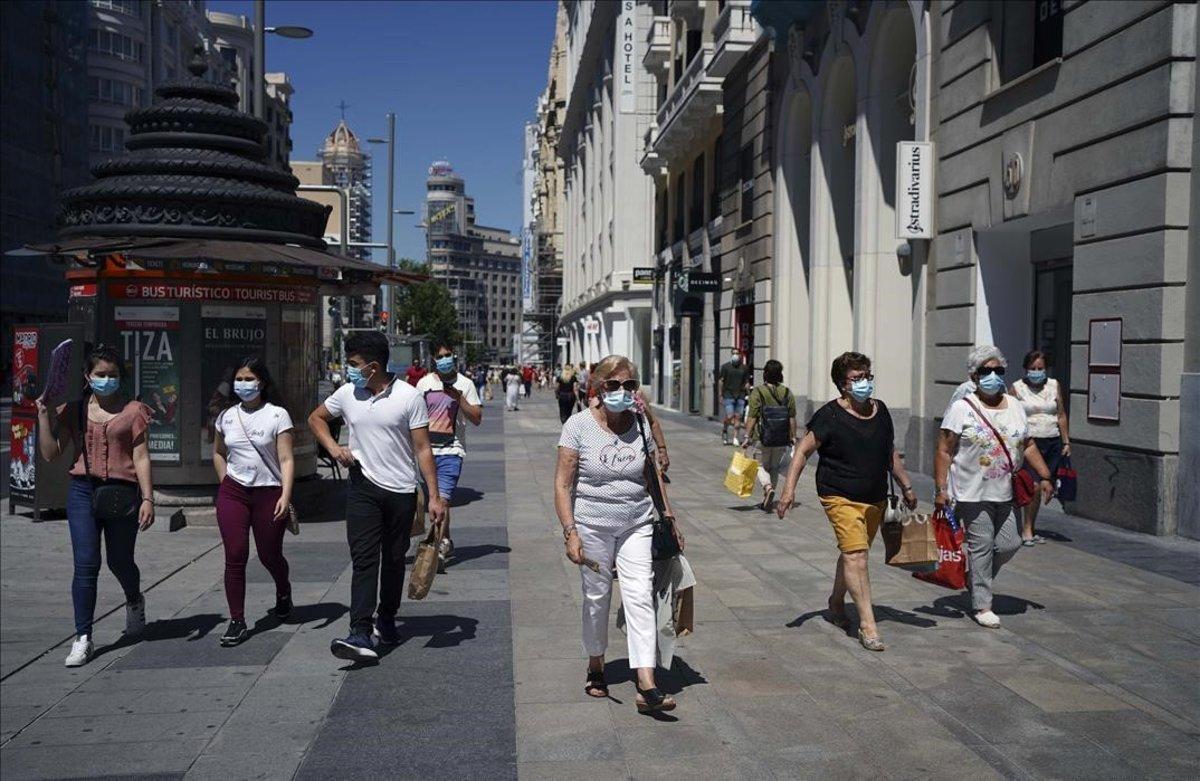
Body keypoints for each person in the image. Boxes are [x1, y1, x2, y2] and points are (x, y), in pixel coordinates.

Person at [555, 355, 686, 713]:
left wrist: (669, 515)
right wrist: (570, 532)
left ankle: (646, 683)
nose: (622, 392)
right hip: (592, 523)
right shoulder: (578, 426)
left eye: (629, 385)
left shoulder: (641, 422)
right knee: (597, 598)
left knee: (640, 595)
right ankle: (596, 663)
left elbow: (652, 475)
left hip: (637, 522)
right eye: (613, 385)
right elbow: (563, 484)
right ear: (597, 389)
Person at [308, 331, 447, 661]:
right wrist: (332, 447)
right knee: (364, 558)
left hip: (400, 490)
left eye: (354, 364)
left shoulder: (409, 397)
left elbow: (423, 448)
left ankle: (386, 618)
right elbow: (316, 418)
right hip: (362, 487)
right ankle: (359, 630)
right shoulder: (346, 393)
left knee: (395, 558)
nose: (349, 369)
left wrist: (434, 497)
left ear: (373, 366)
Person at [776, 352, 918, 652]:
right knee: (856, 556)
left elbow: (889, 452)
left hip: (875, 497)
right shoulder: (829, 415)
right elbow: (802, 452)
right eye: (857, 378)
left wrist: (906, 485)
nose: (865, 382)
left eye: (868, 375)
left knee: (854, 553)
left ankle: (836, 603)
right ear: (843, 384)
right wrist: (789, 491)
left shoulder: (881, 411)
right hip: (838, 495)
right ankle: (868, 625)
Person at [36, 345, 154, 667]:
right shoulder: (74, 410)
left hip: (122, 494)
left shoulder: (133, 411)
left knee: (120, 562)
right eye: (100, 374)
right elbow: (50, 453)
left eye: (112, 375)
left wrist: (148, 498)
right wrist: (44, 416)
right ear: (88, 377)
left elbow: (141, 457)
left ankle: (134, 600)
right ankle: (83, 637)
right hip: (82, 492)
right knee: (86, 564)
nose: (106, 380)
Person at [935, 345, 1054, 629]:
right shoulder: (962, 408)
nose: (992, 376)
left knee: (1009, 543)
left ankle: (976, 577)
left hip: (1005, 490)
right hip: (971, 491)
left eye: (997, 370)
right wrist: (941, 489)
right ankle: (982, 604)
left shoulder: (1014, 406)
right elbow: (944, 449)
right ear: (974, 377)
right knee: (981, 544)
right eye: (985, 371)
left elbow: (1027, 444)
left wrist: (1045, 475)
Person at [211, 357, 294, 646]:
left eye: (249, 379)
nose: (243, 384)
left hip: (269, 493)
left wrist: (286, 494)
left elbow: (285, 458)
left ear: (262, 382)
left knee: (269, 554)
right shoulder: (226, 416)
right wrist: (225, 483)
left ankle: (283, 589)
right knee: (235, 555)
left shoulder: (277, 415)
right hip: (234, 492)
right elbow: (219, 453)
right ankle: (237, 620)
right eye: (239, 379)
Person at [415, 342, 483, 569]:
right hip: (427, 452)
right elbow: (414, 415)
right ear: (433, 359)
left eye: (448, 355)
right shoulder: (424, 384)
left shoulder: (466, 384)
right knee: (438, 501)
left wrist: (459, 398)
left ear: (453, 356)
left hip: (452, 451)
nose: (445, 359)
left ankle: (435, 550)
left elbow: (476, 417)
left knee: (442, 500)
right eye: (440, 355)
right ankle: (445, 540)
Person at [1011, 350, 1070, 546]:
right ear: (1025, 369)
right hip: (1029, 443)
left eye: (1040, 368)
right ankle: (1026, 530)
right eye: (1032, 368)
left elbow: (1060, 414)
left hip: (1051, 441)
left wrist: (1066, 441)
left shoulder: (1054, 386)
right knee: (1033, 486)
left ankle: (1029, 525)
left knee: (1045, 486)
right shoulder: (1017, 388)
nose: (1036, 372)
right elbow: (1010, 415)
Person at [741, 359, 797, 511]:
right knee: (774, 467)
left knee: (759, 465)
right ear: (780, 375)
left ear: (765, 373)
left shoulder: (758, 391)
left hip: (762, 437)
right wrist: (793, 436)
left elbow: (752, 416)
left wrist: (747, 436)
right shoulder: (786, 392)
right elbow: (792, 416)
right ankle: (768, 500)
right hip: (781, 438)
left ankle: (767, 488)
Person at [718, 349, 751, 446]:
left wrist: (748, 391)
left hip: (740, 394)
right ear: (731, 355)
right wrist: (720, 394)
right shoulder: (725, 367)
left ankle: (735, 437)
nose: (735, 355)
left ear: (740, 355)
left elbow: (746, 381)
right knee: (730, 416)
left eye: (737, 353)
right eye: (734, 353)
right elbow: (721, 381)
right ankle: (725, 429)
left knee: (738, 417)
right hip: (728, 394)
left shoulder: (744, 368)